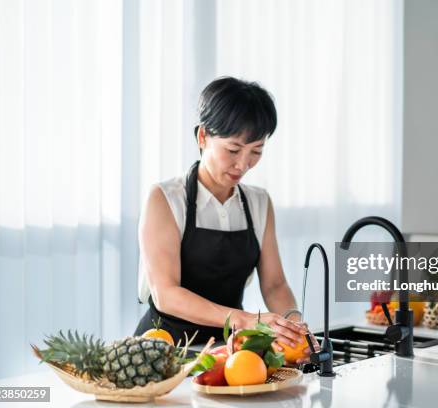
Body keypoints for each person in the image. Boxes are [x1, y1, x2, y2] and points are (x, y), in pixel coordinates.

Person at [135, 77, 315, 363]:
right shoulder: (165, 199)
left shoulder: (259, 203)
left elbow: (275, 285)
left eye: (256, 151)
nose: (243, 164)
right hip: (163, 352)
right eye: (233, 150)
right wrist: (246, 320)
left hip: (228, 354)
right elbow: (166, 294)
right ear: (203, 137)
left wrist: (292, 326)